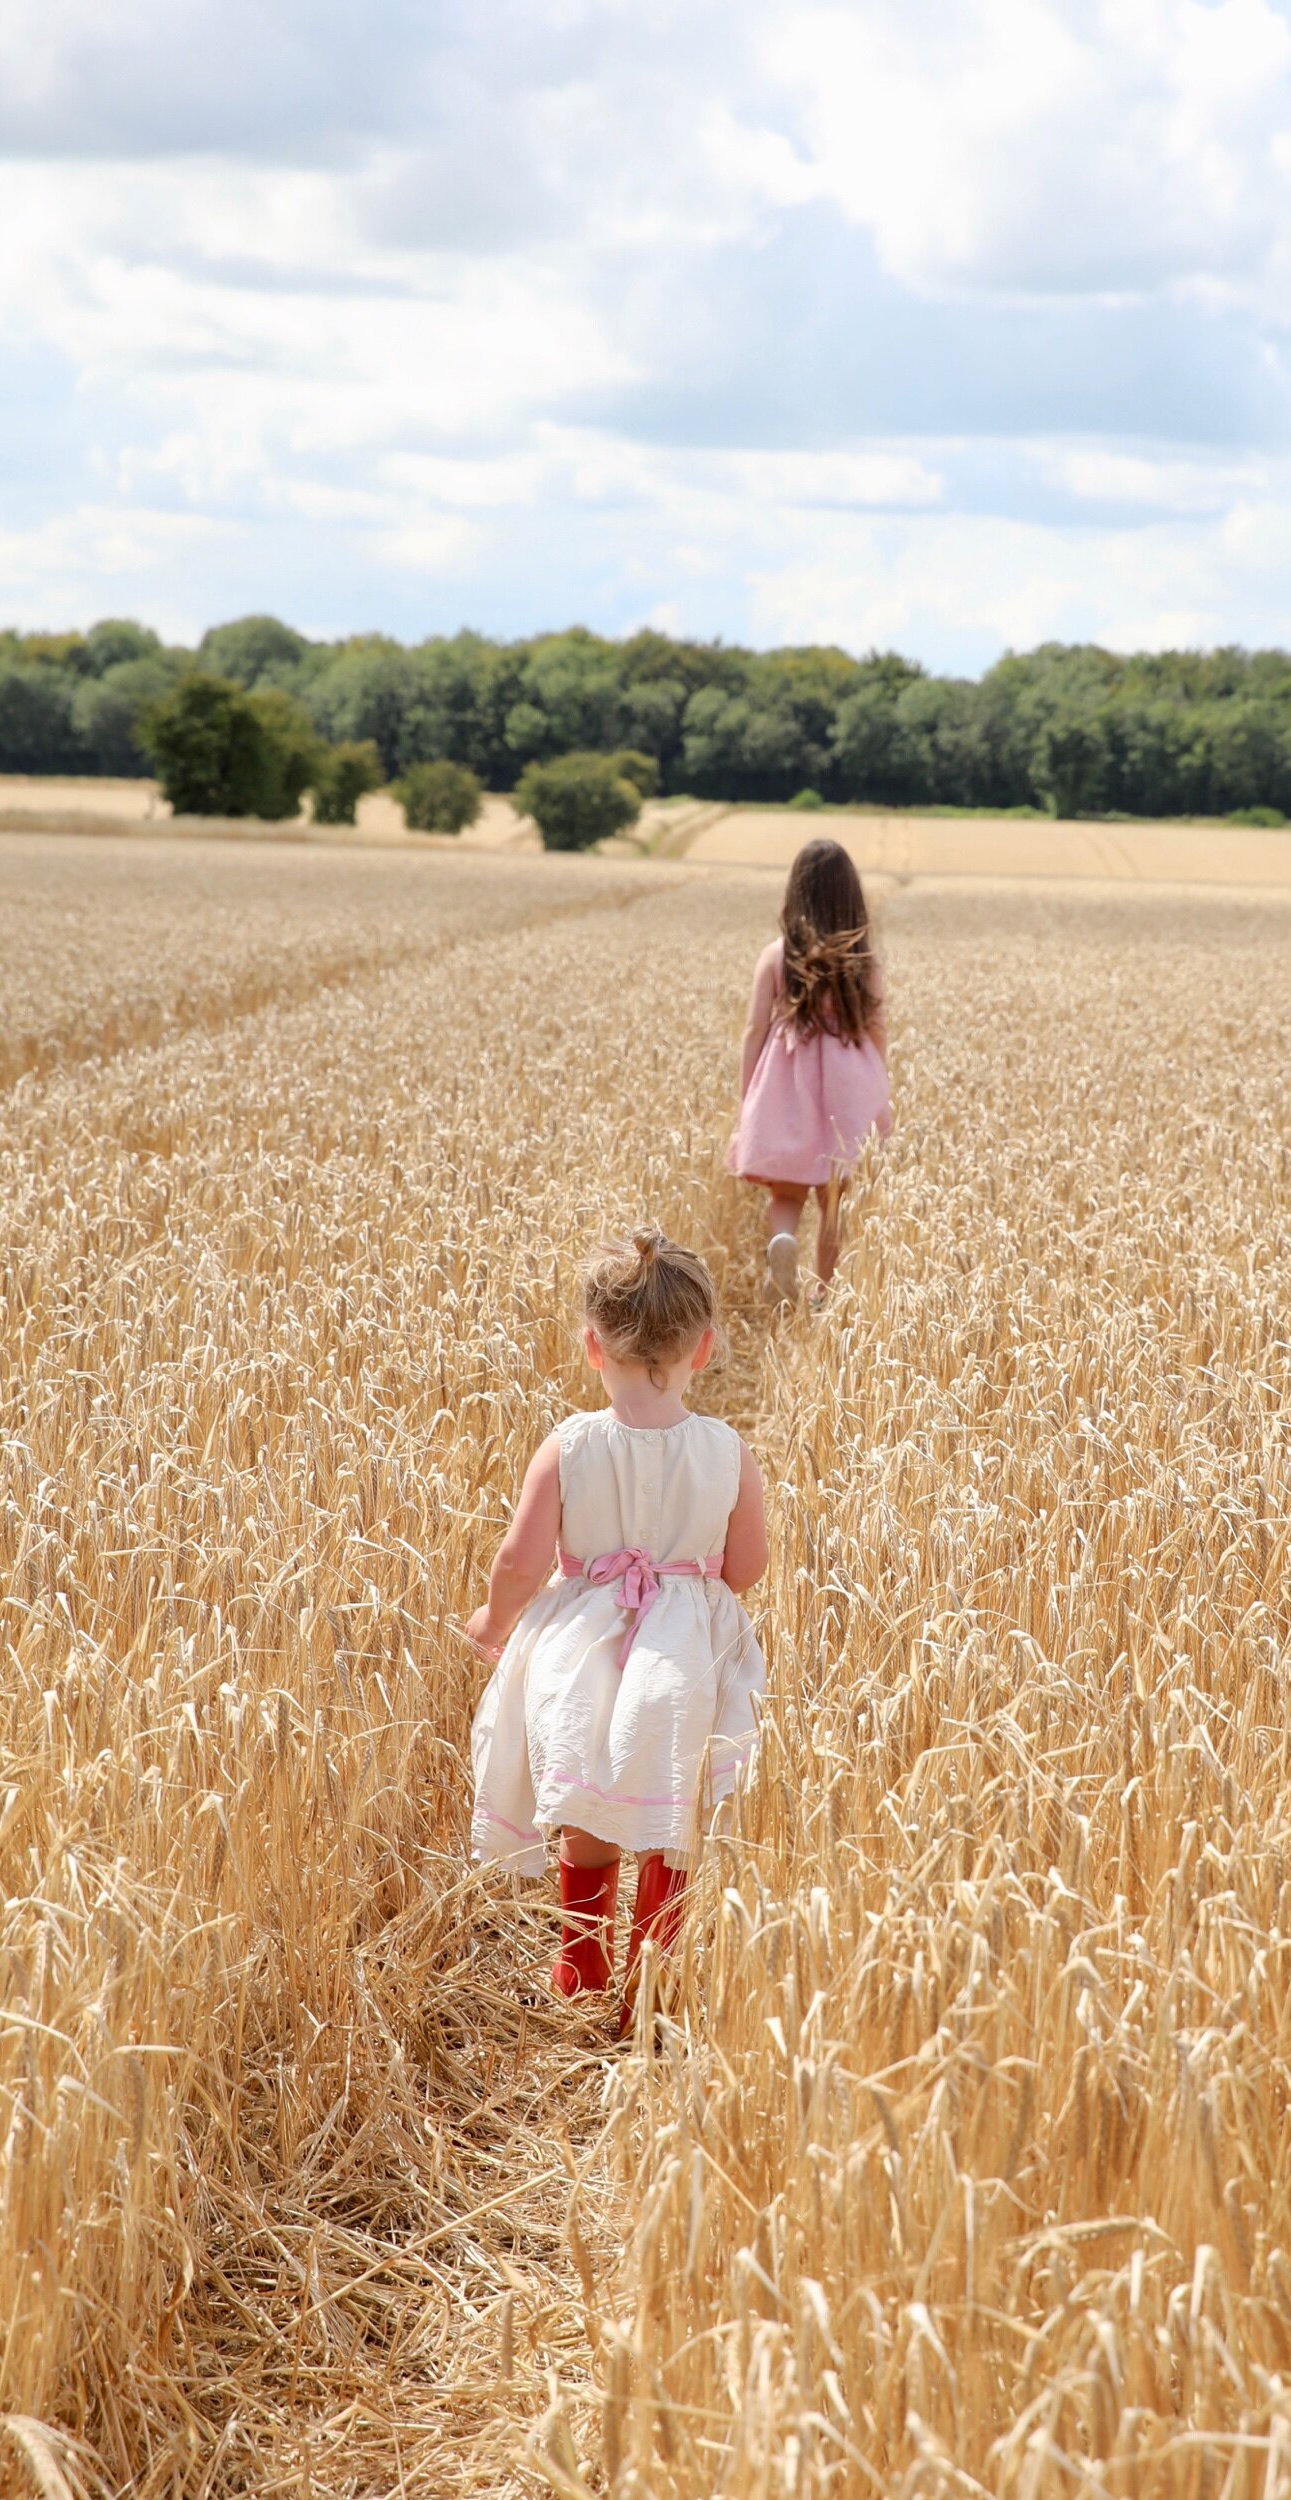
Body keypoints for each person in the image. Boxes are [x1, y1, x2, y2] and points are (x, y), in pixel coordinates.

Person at [466, 1226, 768, 2033]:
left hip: (579, 1651)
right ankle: (650, 1983)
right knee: (670, 1813)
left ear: (593, 1346)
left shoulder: (569, 1446)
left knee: (591, 1799)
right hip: (686, 1658)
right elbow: (745, 1569)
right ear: (703, 1349)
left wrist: (493, 1623)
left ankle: (580, 1958)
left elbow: (518, 1561)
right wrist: (683, 1569)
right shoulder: (729, 1452)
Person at [728, 836, 891, 1304]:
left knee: (786, 1191)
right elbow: (877, 1030)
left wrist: (749, 1101)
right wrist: (881, 1088)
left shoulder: (777, 954)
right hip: (849, 1084)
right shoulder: (864, 959)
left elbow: (754, 1028)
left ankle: (784, 1243)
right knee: (835, 1199)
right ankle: (824, 1292)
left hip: (787, 1079)